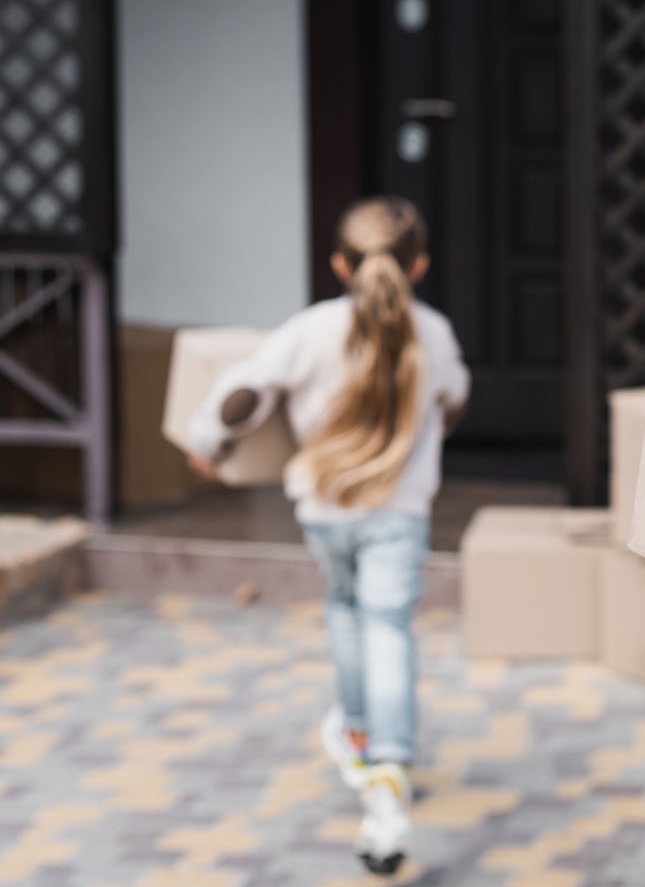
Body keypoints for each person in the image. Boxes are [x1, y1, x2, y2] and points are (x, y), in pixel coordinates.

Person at [187, 196, 469, 877]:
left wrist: (208, 444)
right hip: (398, 511)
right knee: (388, 627)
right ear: (420, 265)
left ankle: (357, 730)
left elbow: (243, 394)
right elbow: (454, 401)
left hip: (325, 509)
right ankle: (389, 772)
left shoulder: (312, 329)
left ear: (339, 263)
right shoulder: (432, 333)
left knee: (346, 609)